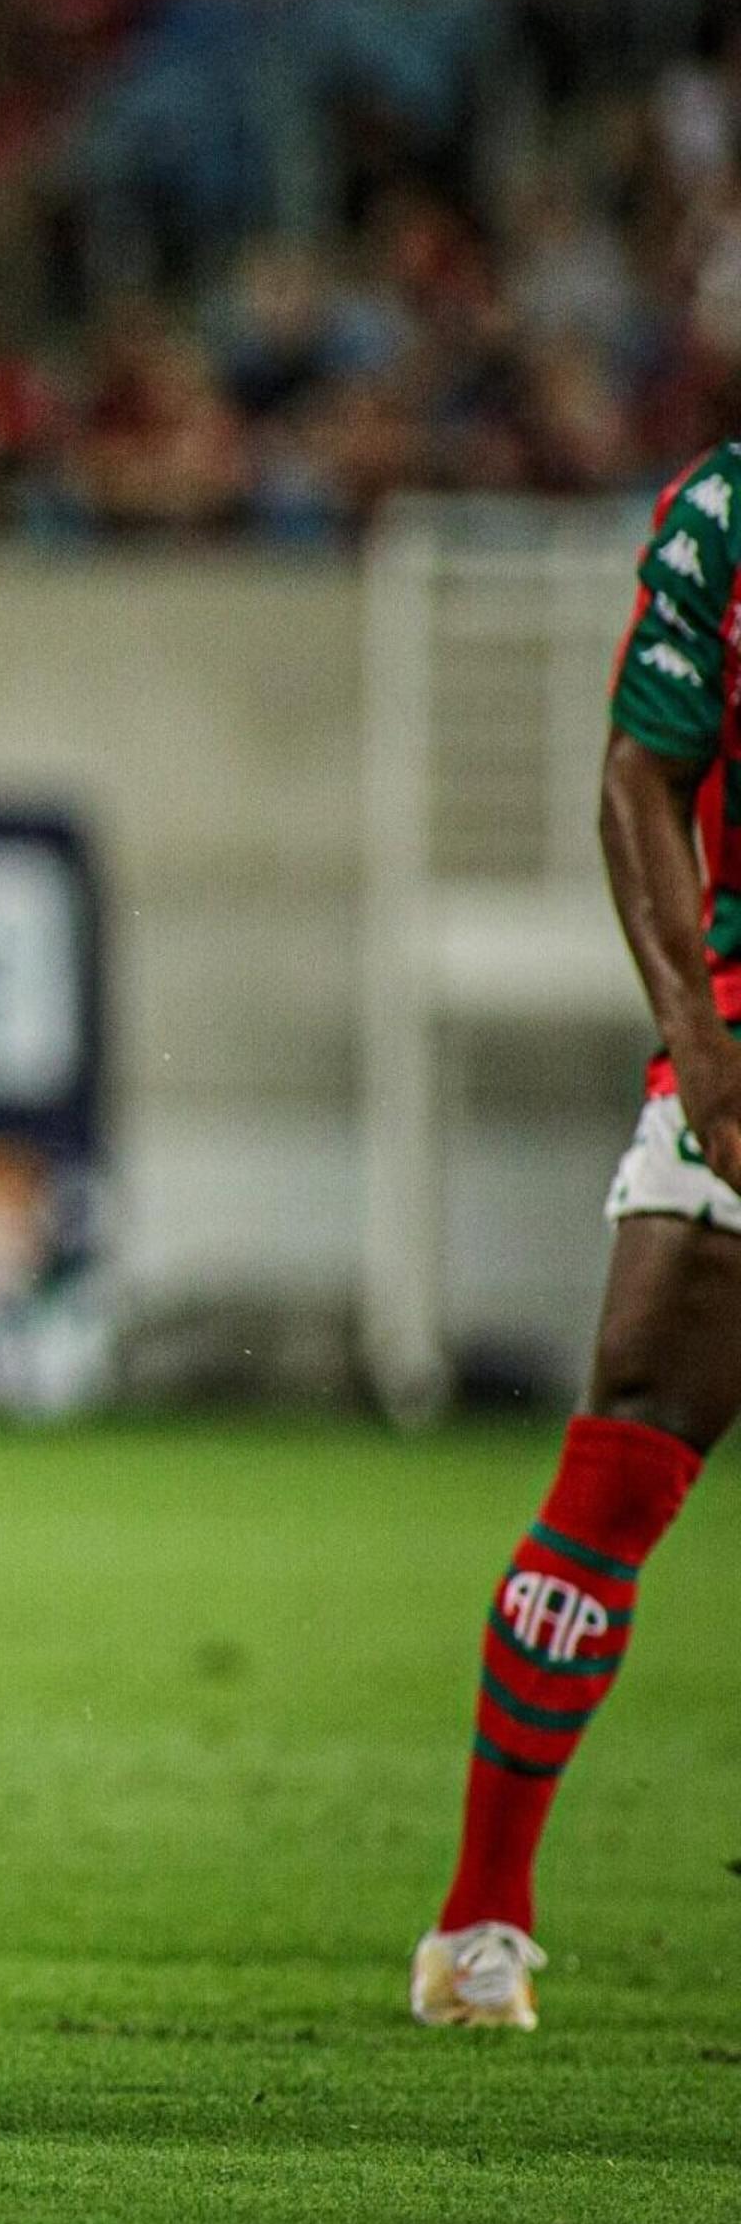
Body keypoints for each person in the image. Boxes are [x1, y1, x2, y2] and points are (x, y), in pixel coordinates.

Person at [412, 444, 741, 2029]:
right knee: (620, 1463)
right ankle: (481, 1917)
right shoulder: (727, 513)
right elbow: (640, 775)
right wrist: (703, 1042)